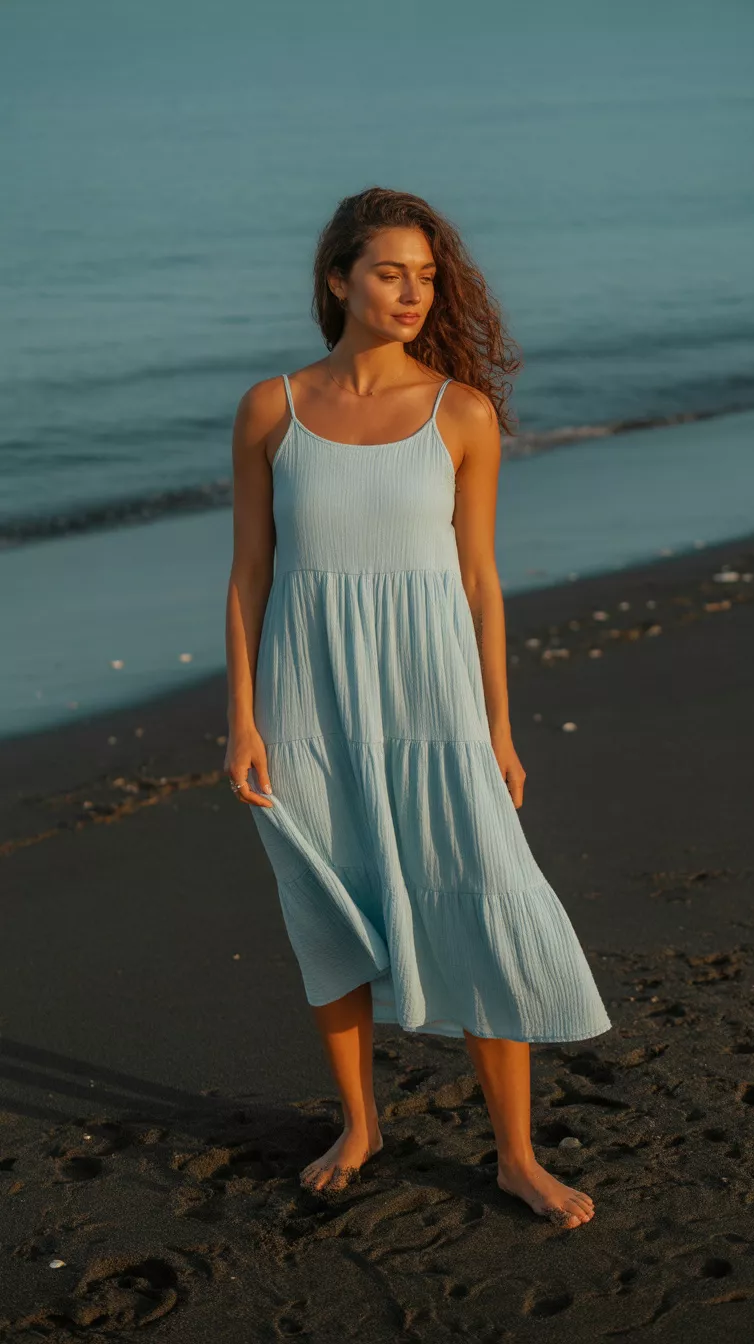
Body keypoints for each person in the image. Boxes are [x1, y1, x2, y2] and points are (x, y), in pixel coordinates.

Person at [224, 186, 611, 1230]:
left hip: (434, 704)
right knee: (325, 910)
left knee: (482, 903)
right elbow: (249, 574)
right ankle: (360, 1124)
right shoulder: (274, 408)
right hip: (308, 705)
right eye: (390, 271)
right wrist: (245, 719)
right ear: (338, 278)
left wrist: (498, 726)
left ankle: (517, 1156)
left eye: (427, 275)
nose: (411, 291)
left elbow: (481, 581)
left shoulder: (461, 413)